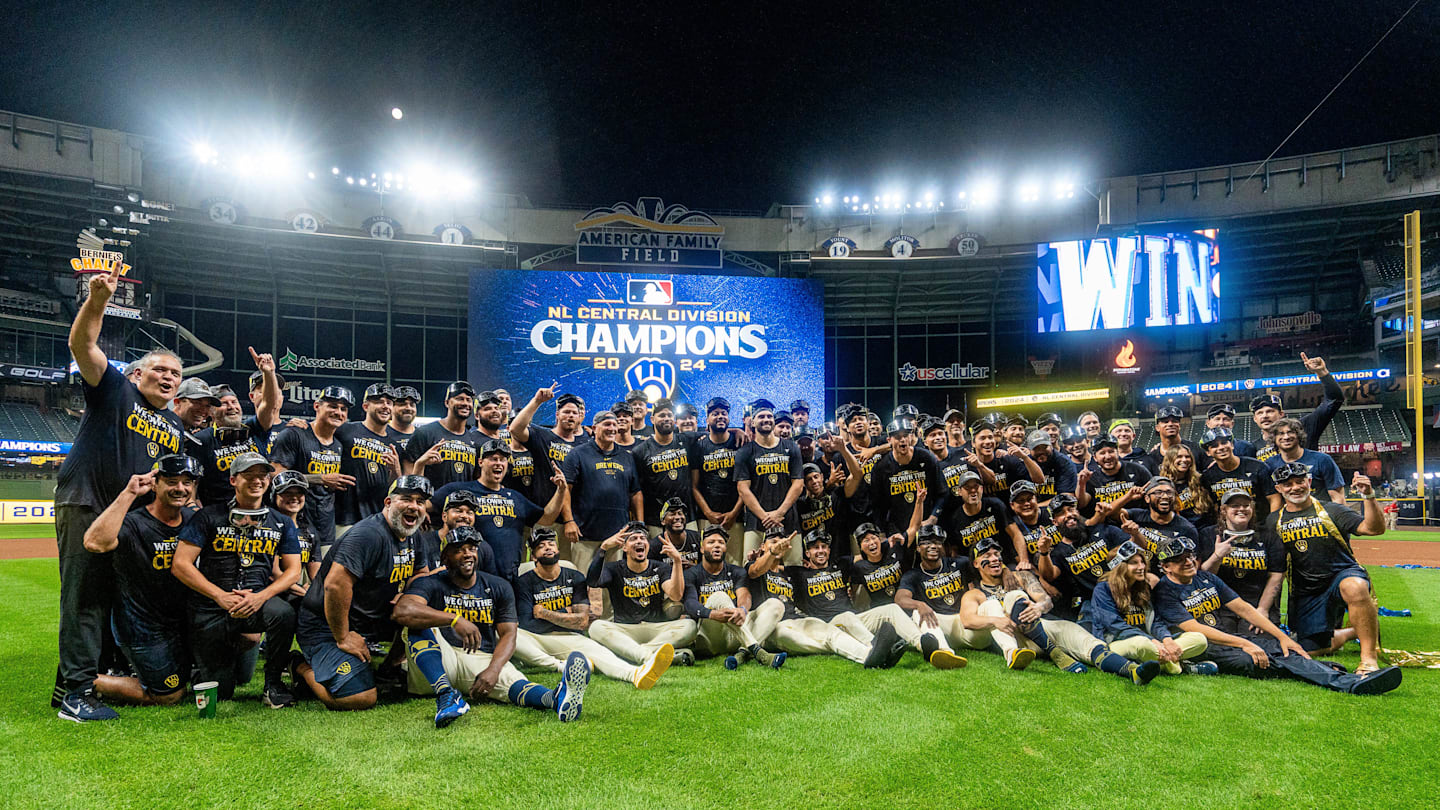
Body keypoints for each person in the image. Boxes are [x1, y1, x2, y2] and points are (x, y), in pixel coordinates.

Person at [53, 261, 185, 720]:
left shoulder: (172, 422)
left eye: (175, 375)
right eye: (160, 370)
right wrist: (99, 300)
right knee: (85, 598)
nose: (168, 377)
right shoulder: (114, 390)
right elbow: (82, 344)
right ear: (137, 374)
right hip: (87, 500)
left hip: (125, 516)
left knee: (108, 597)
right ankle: (75, 694)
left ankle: (77, 679)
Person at [1152, 537, 1400, 694]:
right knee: (1258, 661)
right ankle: (1346, 682)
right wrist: (1245, 643)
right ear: (1165, 566)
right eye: (1178, 559)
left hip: (1228, 633)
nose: (1187, 562)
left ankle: (1324, 670)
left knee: (1282, 649)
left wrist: (1281, 636)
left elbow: (1244, 609)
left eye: (1190, 556)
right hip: (1205, 646)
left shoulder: (1206, 577)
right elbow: (1196, 628)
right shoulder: (1165, 590)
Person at [394, 529, 591, 727]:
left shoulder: (498, 586)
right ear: (445, 557)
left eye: (471, 548)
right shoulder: (431, 582)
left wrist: (494, 670)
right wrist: (454, 620)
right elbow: (402, 610)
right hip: (438, 662)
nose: (467, 554)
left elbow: (509, 634)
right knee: (416, 622)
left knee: (516, 684)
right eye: (459, 549)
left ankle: (556, 698)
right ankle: (446, 694)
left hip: (479, 658)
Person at [172, 452, 302, 707]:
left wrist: (261, 597)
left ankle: (273, 683)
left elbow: (293, 571)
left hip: (255, 601)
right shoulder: (209, 516)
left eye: (262, 476)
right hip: (213, 605)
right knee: (222, 692)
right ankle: (204, 664)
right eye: (249, 475)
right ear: (233, 480)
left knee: (284, 613)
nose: (257, 481)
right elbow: (180, 564)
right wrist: (219, 596)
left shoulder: (282, 522)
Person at [293, 475, 429, 710]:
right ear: (388, 502)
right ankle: (298, 665)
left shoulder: (413, 536)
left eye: (420, 502)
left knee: (421, 610)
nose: (414, 507)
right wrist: (343, 637)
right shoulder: (368, 534)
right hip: (325, 625)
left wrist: (406, 595)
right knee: (359, 698)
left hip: (370, 619)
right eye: (406, 499)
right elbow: (335, 585)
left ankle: (390, 667)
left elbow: (422, 575)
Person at [81, 456, 200, 707]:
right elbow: (94, 543)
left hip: (180, 623)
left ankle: (128, 672)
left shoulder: (193, 520)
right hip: (142, 627)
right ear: (155, 484)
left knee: (195, 680)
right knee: (169, 695)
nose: (180, 488)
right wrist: (129, 493)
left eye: (187, 482)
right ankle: (84, 681)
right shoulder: (135, 523)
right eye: (171, 481)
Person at [958, 536, 1159, 683]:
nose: (994, 559)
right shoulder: (975, 593)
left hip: (1041, 627)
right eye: (987, 555)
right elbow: (967, 620)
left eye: (996, 554)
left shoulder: (1022, 577)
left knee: (1080, 636)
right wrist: (997, 621)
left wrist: (1038, 607)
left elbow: (1046, 601)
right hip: (1015, 639)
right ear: (976, 563)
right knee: (1014, 596)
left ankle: (1132, 671)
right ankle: (1054, 652)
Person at [512, 528, 675, 687]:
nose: (548, 547)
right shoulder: (524, 582)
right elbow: (527, 623)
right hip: (536, 638)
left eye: (551, 544)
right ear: (533, 556)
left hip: (569, 636)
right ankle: (560, 666)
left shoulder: (574, 577)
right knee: (512, 635)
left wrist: (544, 613)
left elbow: (582, 622)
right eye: (541, 546)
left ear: (557, 548)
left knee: (600, 653)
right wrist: (567, 617)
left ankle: (635, 674)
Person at [1268, 463, 1387, 673]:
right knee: (1310, 650)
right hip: (1307, 590)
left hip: (1340, 575)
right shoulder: (1273, 521)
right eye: (1287, 484)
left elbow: (1374, 529)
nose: (1295, 487)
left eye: (1299, 481)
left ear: (1309, 482)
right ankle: (1352, 631)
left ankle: (1368, 659)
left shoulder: (1332, 510)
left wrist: (1368, 496)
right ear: (1279, 489)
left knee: (1355, 587)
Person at [745, 529, 902, 667]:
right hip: (773, 628)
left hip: (796, 620)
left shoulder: (790, 573)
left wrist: (887, 543)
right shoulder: (753, 567)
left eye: (780, 543)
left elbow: (862, 556)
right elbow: (755, 571)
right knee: (805, 638)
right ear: (763, 547)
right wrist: (769, 554)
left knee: (830, 633)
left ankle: (872, 654)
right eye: (773, 542)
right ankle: (873, 653)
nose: (777, 545)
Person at [431, 439, 566, 581]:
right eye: (493, 459)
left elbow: (547, 518)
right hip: (471, 576)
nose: (498, 463)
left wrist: (561, 490)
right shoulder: (459, 490)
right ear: (480, 462)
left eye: (503, 460)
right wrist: (420, 465)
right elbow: (423, 504)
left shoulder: (515, 497)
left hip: (510, 577)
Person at [1090, 541, 1214, 675]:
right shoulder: (1103, 589)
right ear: (1119, 566)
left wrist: (1167, 640)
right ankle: (1180, 668)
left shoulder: (1143, 588)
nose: (1141, 566)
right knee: (1141, 644)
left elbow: (1155, 621)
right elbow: (1115, 625)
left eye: (1142, 562)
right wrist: (1152, 640)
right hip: (1117, 644)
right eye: (1134, 563)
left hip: (1152, 645)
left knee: (1199, 639)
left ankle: (1153, 663)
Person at [586, 522, 698, 665]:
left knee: (689, 626)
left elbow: (675, 596)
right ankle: (654, 655)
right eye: (633, 539)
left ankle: (636, 653)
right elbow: (592, 581)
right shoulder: (614, 568)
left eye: (643, 538)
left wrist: (676, 561)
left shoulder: (660, 567)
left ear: (648, 545)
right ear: (624, 547)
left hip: (656, 629)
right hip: (625, 629)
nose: (639, 541)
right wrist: (603, 548)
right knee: (596, 628)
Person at [560, 410, 642, 596]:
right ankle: (580, 620)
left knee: (613, 584)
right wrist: (569, 521)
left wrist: (639, 524)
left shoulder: (626, 456)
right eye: (607, 424)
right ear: (595, 428)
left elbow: (635, 493)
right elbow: (565, 489)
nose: (612, 428)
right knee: (580, 582)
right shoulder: (578, 454)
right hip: (585, 532)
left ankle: (610, 622)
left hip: (617, 533)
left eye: (614, 425)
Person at [895, 526, 1000, 666]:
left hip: (968, 624)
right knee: (918, 613)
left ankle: (1012, 651)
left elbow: (985, 566)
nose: (933, 546)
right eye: (927, 542)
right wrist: (919, 604)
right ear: (918, 548)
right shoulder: (913, 575)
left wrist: (1006, 571)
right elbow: (900, 599)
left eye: (938, 542)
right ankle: (945, 653)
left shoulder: (960, 563)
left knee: (991, 604)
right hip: (941, 627)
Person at [683, 527, 787, 669]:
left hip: (735, 634)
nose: (717, 545)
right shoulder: (692, 573)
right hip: (709, 636)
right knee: (719, 596)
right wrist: (712, 613)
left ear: (726, 548)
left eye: (721, 542)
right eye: (711, 542)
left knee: (776, 604)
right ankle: (759, 652)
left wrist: (743, 610)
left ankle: (742, 654)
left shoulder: (736, 571)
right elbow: (690, 603)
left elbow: (744, 594)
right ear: (702, 549)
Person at [190, 348, 282, 506]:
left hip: (258, 509)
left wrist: (269, 372)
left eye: (234, 402)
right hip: (219, 514)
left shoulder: (255, 428)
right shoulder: (202, 440)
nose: (231, 407)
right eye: (224, 404)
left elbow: (269, 404)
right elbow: (193, 483)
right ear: (211, 411)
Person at [270, 386, 351, 555]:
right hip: (294, 524)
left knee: (320, 580)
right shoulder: (294, 434)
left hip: (325, 528)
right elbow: (276, 475)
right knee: (293, 578)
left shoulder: (338, 445)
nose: (339, 412)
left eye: (343, 409)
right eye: (333, 406)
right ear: (316, 406)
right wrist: (320, 478)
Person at [1197, 492, 1285, 626]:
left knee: (1261, 643)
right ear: (1223, 510)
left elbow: (1277, 574)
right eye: (1235, 506)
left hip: (1255, 605)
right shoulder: (1209, 534)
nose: (1241, 509)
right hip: (1221, 608)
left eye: (1246, 505)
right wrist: (1217, 557)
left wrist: (1263, 609)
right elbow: (1203, 577)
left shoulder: (1267, 536)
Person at [1036, 494, 1128, 622]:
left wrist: (1134, 534)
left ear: (1078, 512)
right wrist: (1044, 552)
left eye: (1071, 509)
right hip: (1092, 601)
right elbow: (1049, 575)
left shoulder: (1102, 529)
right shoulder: (1059, 552)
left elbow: (1135, 549)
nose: (1068, 514)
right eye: (1061, 513)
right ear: (1055, 522)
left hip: (1124, 590)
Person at [735, 400, 804, 560]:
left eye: (769, 416)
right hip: (757, 524)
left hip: (788, 521)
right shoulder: (745, 452)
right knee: (753, 570)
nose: (766, 419)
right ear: (753, 422)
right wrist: (765, 517)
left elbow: (798, 484)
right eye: (761, 417)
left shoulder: (791, 447)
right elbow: (743, 489)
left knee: (793, 571)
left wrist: (779, 513)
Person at [1248, 352, 1345, 461]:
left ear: (1281, 414)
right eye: (1260, 413)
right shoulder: (1252, 448)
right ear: (1255, 419)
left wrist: (1322, 373)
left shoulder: (1303, 427)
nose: (1265, 416)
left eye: (1270, 411)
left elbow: (1334, 400)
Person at [335, 384, 403, 537]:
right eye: (379, 401)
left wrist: (396, 471)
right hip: (345, 520)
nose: (385, 406)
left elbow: (397, 491)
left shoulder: (394, 446)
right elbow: (317, 433)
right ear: (366, 406)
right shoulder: (345, 430)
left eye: (389, 403)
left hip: (378, 522)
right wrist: (300, 424)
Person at [931, 470, 1028, 566]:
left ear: (981, 489)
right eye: (967, 487)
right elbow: (955, 552)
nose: (973, 490)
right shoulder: (954, 519)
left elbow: (1015, 534)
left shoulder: (995, 505)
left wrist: (1024, 561)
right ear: (959, 492)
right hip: (977, 568)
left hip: (1003, 561)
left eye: (976, 486)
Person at [690, 397, 746, 561]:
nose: (720, 416)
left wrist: (734, 513)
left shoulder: (740, 443)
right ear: (707, 419)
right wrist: (708, 513)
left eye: (724, 413)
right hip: (707, 516)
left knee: (736, 564)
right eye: (715, 414)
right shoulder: (699, 446)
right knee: (708, 563)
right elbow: (694, 486)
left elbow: (745, 484)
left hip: (736, 517)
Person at [867, 418, 943, 539]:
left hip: (926, 526)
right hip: (897, 529)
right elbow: (877, 505)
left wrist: (933, 517)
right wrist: (881, 533)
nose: (902, 440)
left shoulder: (926, 458)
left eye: (906, 435)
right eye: (897, 437)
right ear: (889, 440)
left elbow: (942, 493)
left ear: (911, 437)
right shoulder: (880, 467)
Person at [403, 381, 483, 489]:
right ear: (447, 403)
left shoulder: (474, 441)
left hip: (463, 505)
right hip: (432, 503)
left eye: (469, 400)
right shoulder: (424, 433)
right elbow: (408, 479)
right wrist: (421, 463)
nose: (465, 403)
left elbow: (476, 481)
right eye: (459, 399)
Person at [632, 399, 695, 533]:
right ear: (652, 419)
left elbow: (713, 435)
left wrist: (737, 431)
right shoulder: (640, 451)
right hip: (655, 521)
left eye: (669, 415)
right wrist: (641, 522)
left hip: (686, 518)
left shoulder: (687, 440)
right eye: (662, 415)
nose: (666, 418)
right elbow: (637, 490)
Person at [1262, 419, 1344, 508]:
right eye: (1281, 433)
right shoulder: (1269, 465)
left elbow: (1338, 497)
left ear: (1299, 435)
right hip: (1290, 518)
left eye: (1290, 432)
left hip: (1321, 516)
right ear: (1274, 438)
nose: (1286, 437)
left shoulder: (1322, 459)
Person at [269, 470, 323, 605]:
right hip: (272, 593)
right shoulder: (268, 528)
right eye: (287, 493)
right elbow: (274, 574)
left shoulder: (309, 531)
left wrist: (315, 590)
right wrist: (305, 593)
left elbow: (317, 575)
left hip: (298, 593)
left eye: (299, 493)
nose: (294, 497)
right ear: (274, 497)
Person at [414, 496, 498, 580]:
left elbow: (492, 583)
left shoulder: (483, 547)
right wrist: (442, 572)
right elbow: (413, 582)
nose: (465, 516)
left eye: (469, 513)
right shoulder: (423, 542)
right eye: (458, 511)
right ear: (444, 516)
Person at [1199, 427, 1273, 522]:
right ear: (1208, 452)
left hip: (1260, 525)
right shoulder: (1207, 477)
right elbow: (1213, 507)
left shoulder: (1257, 467)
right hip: (1229, 527)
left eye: (1224, 442)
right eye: (1214, 446)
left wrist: (1270, 524)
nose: (1221, 447)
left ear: (1232, 445)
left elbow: (1274, 499)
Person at [1118, 477, 1200, 560]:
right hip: (1137, 568)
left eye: (1169, 492)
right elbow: (1109, 512)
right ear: (1147, 498)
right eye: (1158, 492)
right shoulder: (1137, 515)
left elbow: (1194, 562)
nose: (1165, 496)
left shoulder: (1187, 529)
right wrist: (1128, 497)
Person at [1159, 444, 1215, 529]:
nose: (1184, 460)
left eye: (1187, 457)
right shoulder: (1162, 485)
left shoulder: (1200, 480)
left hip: (1205, 528)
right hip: (1181, 530)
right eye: (1179, 457)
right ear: (1170, 460)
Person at [1019, 429, 1076, 507]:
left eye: (1044, 447)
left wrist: (1036, 507)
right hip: (1032, 510)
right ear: (1029, 450)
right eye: (1036, 448)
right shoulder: (1024, 463)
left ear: (1051, 445)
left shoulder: (1064, 462)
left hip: (1058, 509)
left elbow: (1067, 496)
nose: (1040, 451)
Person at [1141, 406, 1204, 476]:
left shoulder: (1196, 449)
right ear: (1157, 428)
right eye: (1165, 422)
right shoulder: (1153, 457)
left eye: (1174, 421)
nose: (1170, 424)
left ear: (1179, 426)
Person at [650, 498, 701, 568]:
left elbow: (708, 570)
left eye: (680, 513)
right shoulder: (654, 546)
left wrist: (692, 567)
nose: (677, 517)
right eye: (672, 514)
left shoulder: (698, 538)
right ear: (663, 521)